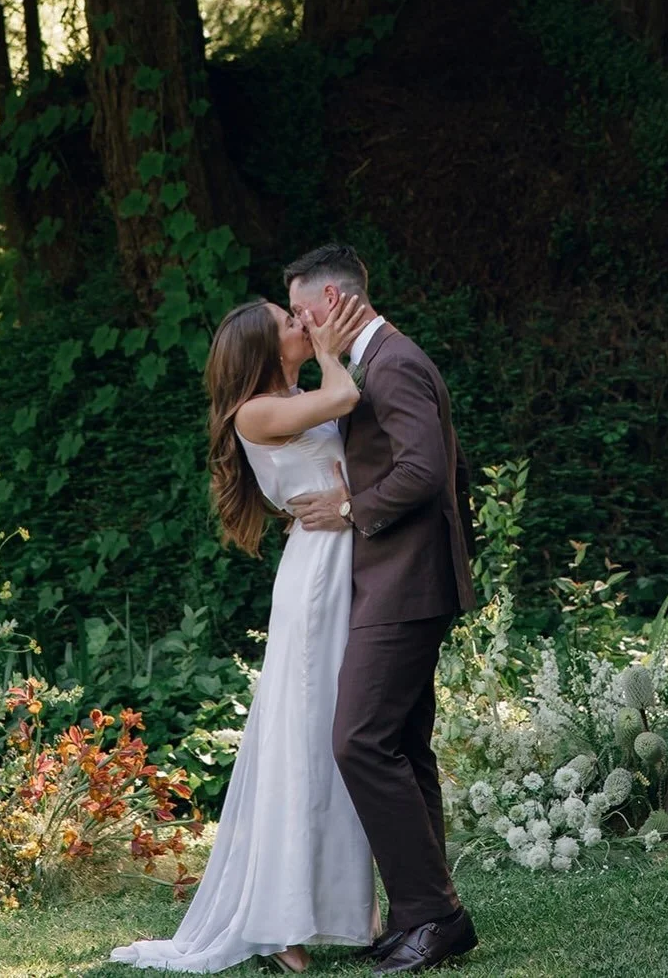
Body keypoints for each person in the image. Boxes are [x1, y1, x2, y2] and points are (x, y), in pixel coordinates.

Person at [110, 292, 380, 973]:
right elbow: (345, 397)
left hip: (339, 557)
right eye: (289, 322)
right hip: (317, 575)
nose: (302, 324)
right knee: (310, 736)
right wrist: (329, 352)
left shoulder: (286, 398)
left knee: (339, 737)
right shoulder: (255, 411)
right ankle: (279, 919)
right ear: (265, 348)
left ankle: (347, 911)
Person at [285, 244, 478, 974]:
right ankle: (422, 915)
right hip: (403, 579)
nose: (302, 329)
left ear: (334, 302)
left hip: (404, 583)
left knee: (358, 741)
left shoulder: (392, 363)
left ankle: (434, 915)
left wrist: (348, 508)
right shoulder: (378, 361)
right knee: (401, 744)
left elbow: (427, 472)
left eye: (305, 313)